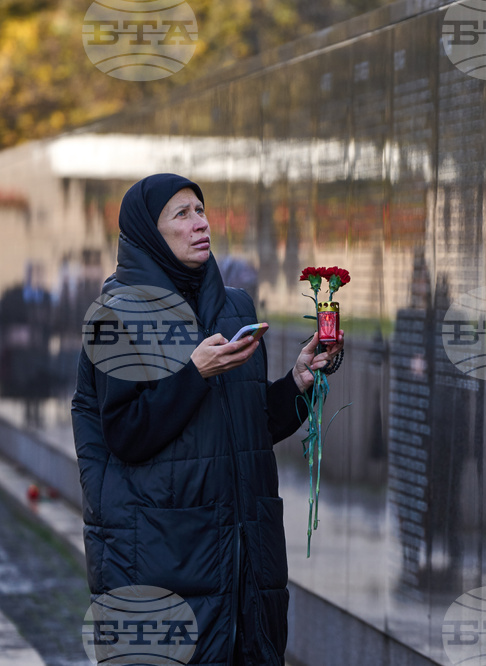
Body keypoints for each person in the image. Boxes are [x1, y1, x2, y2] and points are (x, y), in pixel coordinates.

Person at [71, 174, 342, 665]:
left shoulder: (234, 307)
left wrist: (296, 384)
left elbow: (249, 428)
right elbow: (126, 435)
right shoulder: (118, 316)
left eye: (201, 210)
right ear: (149, 233)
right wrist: (193, 374)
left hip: (245, 562)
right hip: (164, 557)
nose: (200, 224)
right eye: (182, 214)